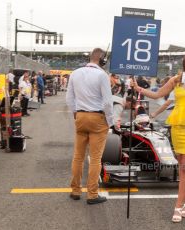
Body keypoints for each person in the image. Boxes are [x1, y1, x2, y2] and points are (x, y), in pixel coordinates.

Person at [132, 51, 185, 223]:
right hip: (177, 128)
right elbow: (157, 95)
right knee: (183, 167)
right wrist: (139, 89)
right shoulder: (175, 80)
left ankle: (177, 206)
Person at [66, 48, 113, 205]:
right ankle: (92, 194)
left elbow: (69, 98)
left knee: (78, 156)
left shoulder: (75, 73)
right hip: (97, 118)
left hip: (80, 116)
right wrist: (110, 121)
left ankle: (75, 190)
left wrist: (75, 113)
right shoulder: (102, 75)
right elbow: (107, 102)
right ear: (102, 60)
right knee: (95, 158)